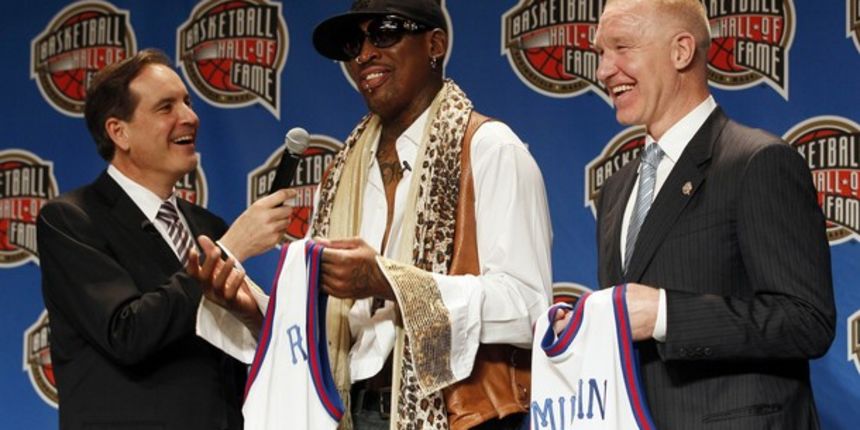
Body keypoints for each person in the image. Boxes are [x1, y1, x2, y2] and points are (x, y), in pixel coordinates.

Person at [196, 1, 553, 428]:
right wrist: (256, 313)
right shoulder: (342, 175)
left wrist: (390, 283)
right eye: (354, 43)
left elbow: (529, 309)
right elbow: (324, 335)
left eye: (385, 33)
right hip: (348, 413)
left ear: (435, 44)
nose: (365, 54)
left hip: (457, 418)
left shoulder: (490, 150)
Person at [555, 0, 835, 428]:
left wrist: (664, 314)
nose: (604, 70)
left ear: (681, 51)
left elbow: (806, 321)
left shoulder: (758, 162)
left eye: (622, 47)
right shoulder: (616, 190)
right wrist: (587, 326)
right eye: (601, 53)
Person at [36, 49, 294, 430]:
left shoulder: (207, 225)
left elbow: (236, 356)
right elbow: (126, 333)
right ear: (119, 132)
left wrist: (251, 316)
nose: (190, 117)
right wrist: (230, 249)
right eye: (166, 107)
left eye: (187, 102)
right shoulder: (72, 220)